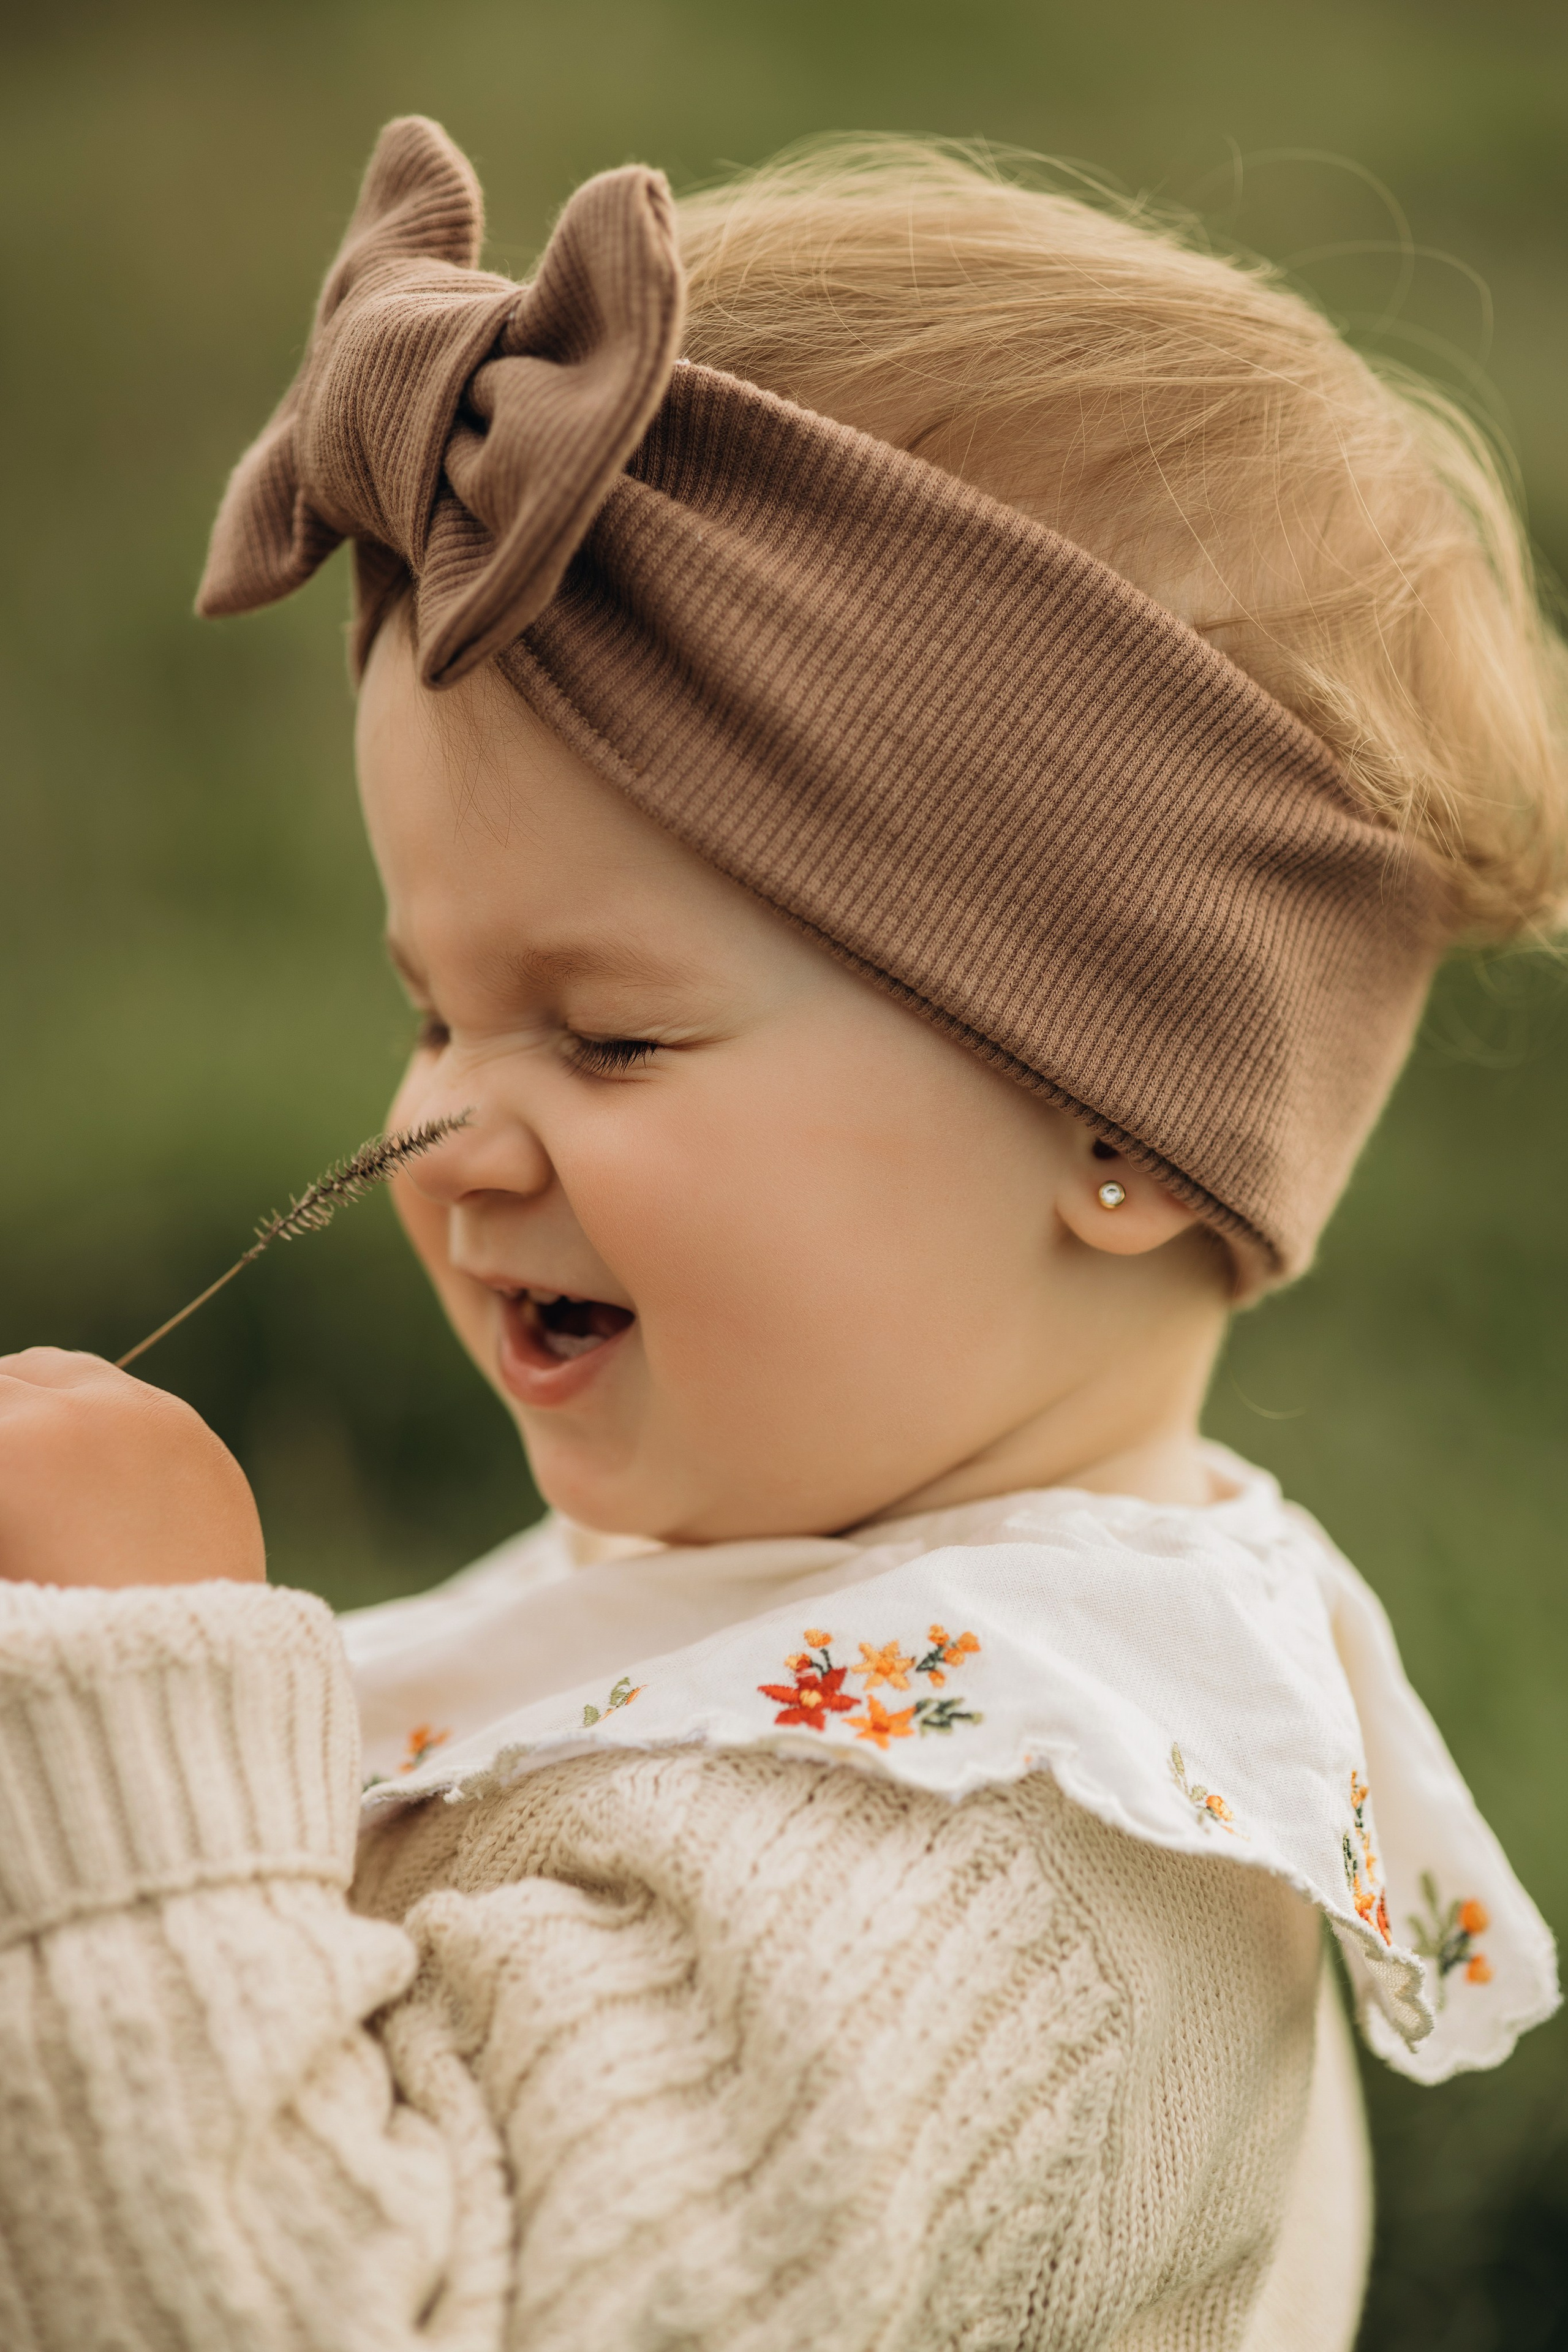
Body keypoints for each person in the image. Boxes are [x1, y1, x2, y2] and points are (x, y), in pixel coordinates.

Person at [0, 115, 1562, 2351]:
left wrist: (115, 1704)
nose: (443, 1129)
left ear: (1121, 1123)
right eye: (433, 1008)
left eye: (607, 1038)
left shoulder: (964, 1879)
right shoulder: (801, 1600)